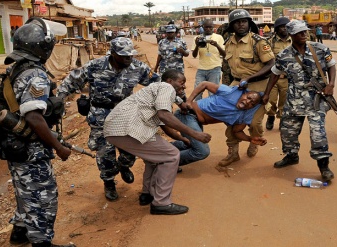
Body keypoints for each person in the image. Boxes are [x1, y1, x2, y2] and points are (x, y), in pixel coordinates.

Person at [0, 18, 74, 247]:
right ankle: (41, 242)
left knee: (26, 190)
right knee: (43, 197)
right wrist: (59, 147)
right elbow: (34, 116)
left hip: (15, 144)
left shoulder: (17, 66)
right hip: (29, 148)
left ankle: (20, 231)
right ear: (42, 48)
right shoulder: (34, 74)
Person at [57, 37, 160, 201]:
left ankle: (124, 165)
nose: (128, 58)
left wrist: (175, 98)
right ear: (112, 54)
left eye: (130, 55)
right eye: (124, 55)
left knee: (132, 147)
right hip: (101, 115)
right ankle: (109, 181)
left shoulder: (138, 67)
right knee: (105, 152)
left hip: (126, 113)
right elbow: (71, 81)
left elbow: (158, 82)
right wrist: (59, 100)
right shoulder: (95, 66)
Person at [103, 69, 211, 215]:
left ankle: (147, 194)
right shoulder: (166, 88)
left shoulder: (156, 90)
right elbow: (164, 115)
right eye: (181, 82)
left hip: (115, 129)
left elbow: (165, 127)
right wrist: (195, 134)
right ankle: (161, 203)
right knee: (172, 155)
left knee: (153, 157)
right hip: (128, 129)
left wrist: (183, 135)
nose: (184, 86)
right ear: (169, 81)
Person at [262, 20, 337, 182]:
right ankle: (291, 156)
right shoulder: (283, 55)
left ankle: (324, 166)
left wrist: (330, 84)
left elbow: (331, 65)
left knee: (318, 135)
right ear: (291, 35)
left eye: (305, 31)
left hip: (316, 99)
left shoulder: (320, 49)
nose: (304, 35)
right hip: (294, 100)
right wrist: (267, 93)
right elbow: (274, 74)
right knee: (287, 131)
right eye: (299, 33)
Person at [220, 9, 275, 167]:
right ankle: (233, 152)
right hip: (237, 85)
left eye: (244, 21)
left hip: (257, 85)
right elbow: (227, 67)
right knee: (230, 118)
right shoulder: (229, 42)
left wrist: (250, 78)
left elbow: (271, 64)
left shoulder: (258, 41)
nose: (241, 24)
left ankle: (254, 141)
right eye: (237, 22)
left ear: (249, 23)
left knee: (255, 122)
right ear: (232, 26)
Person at [173, 81, 267, 169]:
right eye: (248, 98)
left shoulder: (242, 115)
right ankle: (165, 162)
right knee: (202, 152)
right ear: (244, 94)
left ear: (252, 107)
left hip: (196, 122)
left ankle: (164, 149)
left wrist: (250, 139)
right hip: (187, 115)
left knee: (191, 144)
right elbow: (204, 84)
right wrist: (189, 101)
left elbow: (237, 131)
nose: (247, 102)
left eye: (252, 103)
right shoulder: (229, 92)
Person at [265, 17, 292, 131]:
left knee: (284, 101)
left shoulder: (294, 41)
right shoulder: (270, 42)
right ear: (277, 29)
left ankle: (281, 119)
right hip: (273, 77)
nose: (284, 29)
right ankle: (271, 117)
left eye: (286, 27)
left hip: (288, 78)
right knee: (271, 100)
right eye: (281, 27)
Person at [191, 19, 226, 100]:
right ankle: (198, 110)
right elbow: (194, 55)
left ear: (213, 27)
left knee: (213, 93)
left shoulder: (218, 37)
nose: (208, 29)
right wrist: (197, 45)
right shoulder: (197, 38)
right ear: (203, 27)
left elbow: (224, 54)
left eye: (210, 27)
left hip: (215, 68)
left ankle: (212, 111)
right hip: (201, 69)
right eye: (206, 27)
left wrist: (217, 45)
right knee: (197, 93)